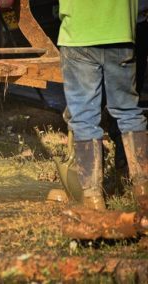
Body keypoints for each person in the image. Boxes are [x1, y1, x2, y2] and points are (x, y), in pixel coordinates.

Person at [58, 0, 148, 210]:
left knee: (84, 117)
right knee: (128, 111)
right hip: (121, 34)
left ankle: (92, 198)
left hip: (78, 35)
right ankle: (143, 189)